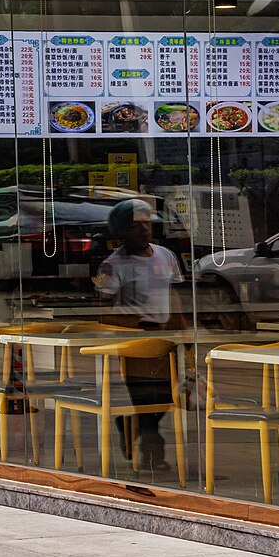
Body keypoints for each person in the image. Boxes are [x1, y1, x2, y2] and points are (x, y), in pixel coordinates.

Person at [93, 198, 180, 473]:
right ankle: (152, 455)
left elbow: (175, 294)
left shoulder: (166, 255)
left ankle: (128, 424)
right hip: (137, 338)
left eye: (147, 224)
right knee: (145, 398)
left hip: (166, 337)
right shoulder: (112, 265)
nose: (144, 230)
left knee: (168, 396)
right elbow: (102, 307)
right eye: (135, 226)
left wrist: (183, 329)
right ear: (121, 231)